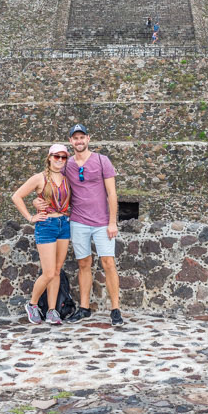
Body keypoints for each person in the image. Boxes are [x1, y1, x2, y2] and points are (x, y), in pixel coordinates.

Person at [36, 125, 123, 325]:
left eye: (82, 137)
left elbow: (112, 193)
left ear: (88, 139)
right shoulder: (67, 164)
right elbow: (49, 183)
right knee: (84, 264)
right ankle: (84, 308)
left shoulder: (102, 161)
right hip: (78, 221)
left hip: (102, 222)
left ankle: (115, 309)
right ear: (71, 142)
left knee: (108, 263)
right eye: (75, 138)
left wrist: (112, 222)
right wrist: (35, 201)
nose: (79, 141)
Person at [13, 144, 73, 325]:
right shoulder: (39, 178)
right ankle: (32, 304)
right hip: (46, 225)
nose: (60, 160)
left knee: (56, 271)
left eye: (63, 157)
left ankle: (52, 310)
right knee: (47, 272)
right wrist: (31, 217)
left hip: (64, 224)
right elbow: (16, 196)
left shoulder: (67, 178)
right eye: (56, 157)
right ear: (49, 157)